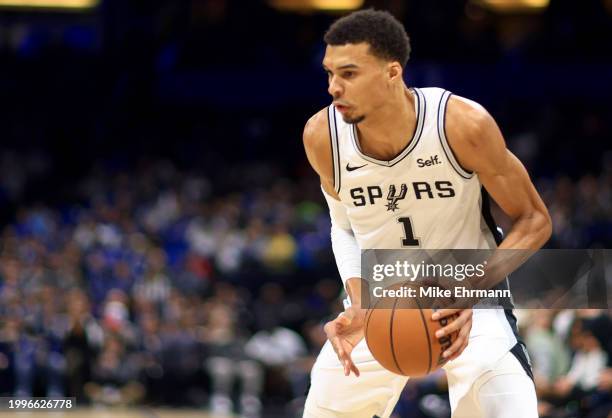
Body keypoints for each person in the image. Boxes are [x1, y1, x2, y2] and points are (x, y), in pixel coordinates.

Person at [302, 9, 552, 418]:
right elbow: (343, 226)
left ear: (391, 72)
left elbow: (535, 219)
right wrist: (361, 300)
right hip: (380, 301)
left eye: (349, 73)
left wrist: (471, 291)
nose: (333, 87)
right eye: (329, 73)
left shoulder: (461, 124)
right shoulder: (322, 137)